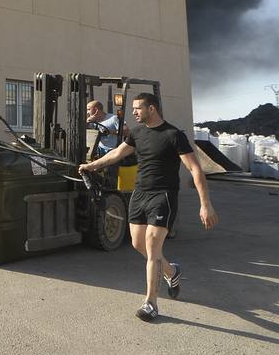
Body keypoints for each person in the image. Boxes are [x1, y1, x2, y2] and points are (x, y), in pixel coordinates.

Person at [79, 92, 217, 322]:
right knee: (137, 244)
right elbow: (116, 153)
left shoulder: (173, 135)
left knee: (152, 248)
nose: (133, 112)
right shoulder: (137, 133)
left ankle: (151, 303)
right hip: (140, 193)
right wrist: (92, 165)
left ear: (151, 108)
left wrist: (206, 205)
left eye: (138, 108)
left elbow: (195, 170)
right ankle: (172, 272)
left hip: (163, 195)